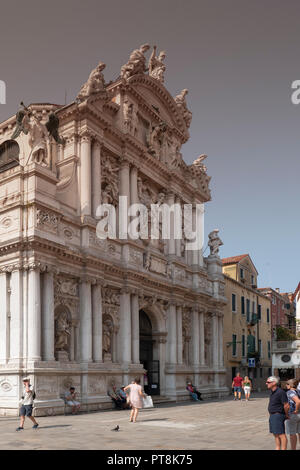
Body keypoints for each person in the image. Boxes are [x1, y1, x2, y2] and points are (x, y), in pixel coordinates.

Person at [266, 376, 289, 450]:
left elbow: (286, 405)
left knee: (281, 434)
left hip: (278, 415)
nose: (266, 383)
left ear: (274, 383)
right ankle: (278, 448)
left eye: (268, 382)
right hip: (272, 415)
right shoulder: (272, 392)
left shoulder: (280, 392)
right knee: (275, 434)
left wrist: (286, 414)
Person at [285, 379, 300, 450]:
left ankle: (293, 449)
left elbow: (298, 401)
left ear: (291, 385)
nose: (286, 385)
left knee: (292, 433)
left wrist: (296, 410)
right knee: (299, 431)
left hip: (293, 414)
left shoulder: (290, 392)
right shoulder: (298, 391)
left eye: (287, 384)